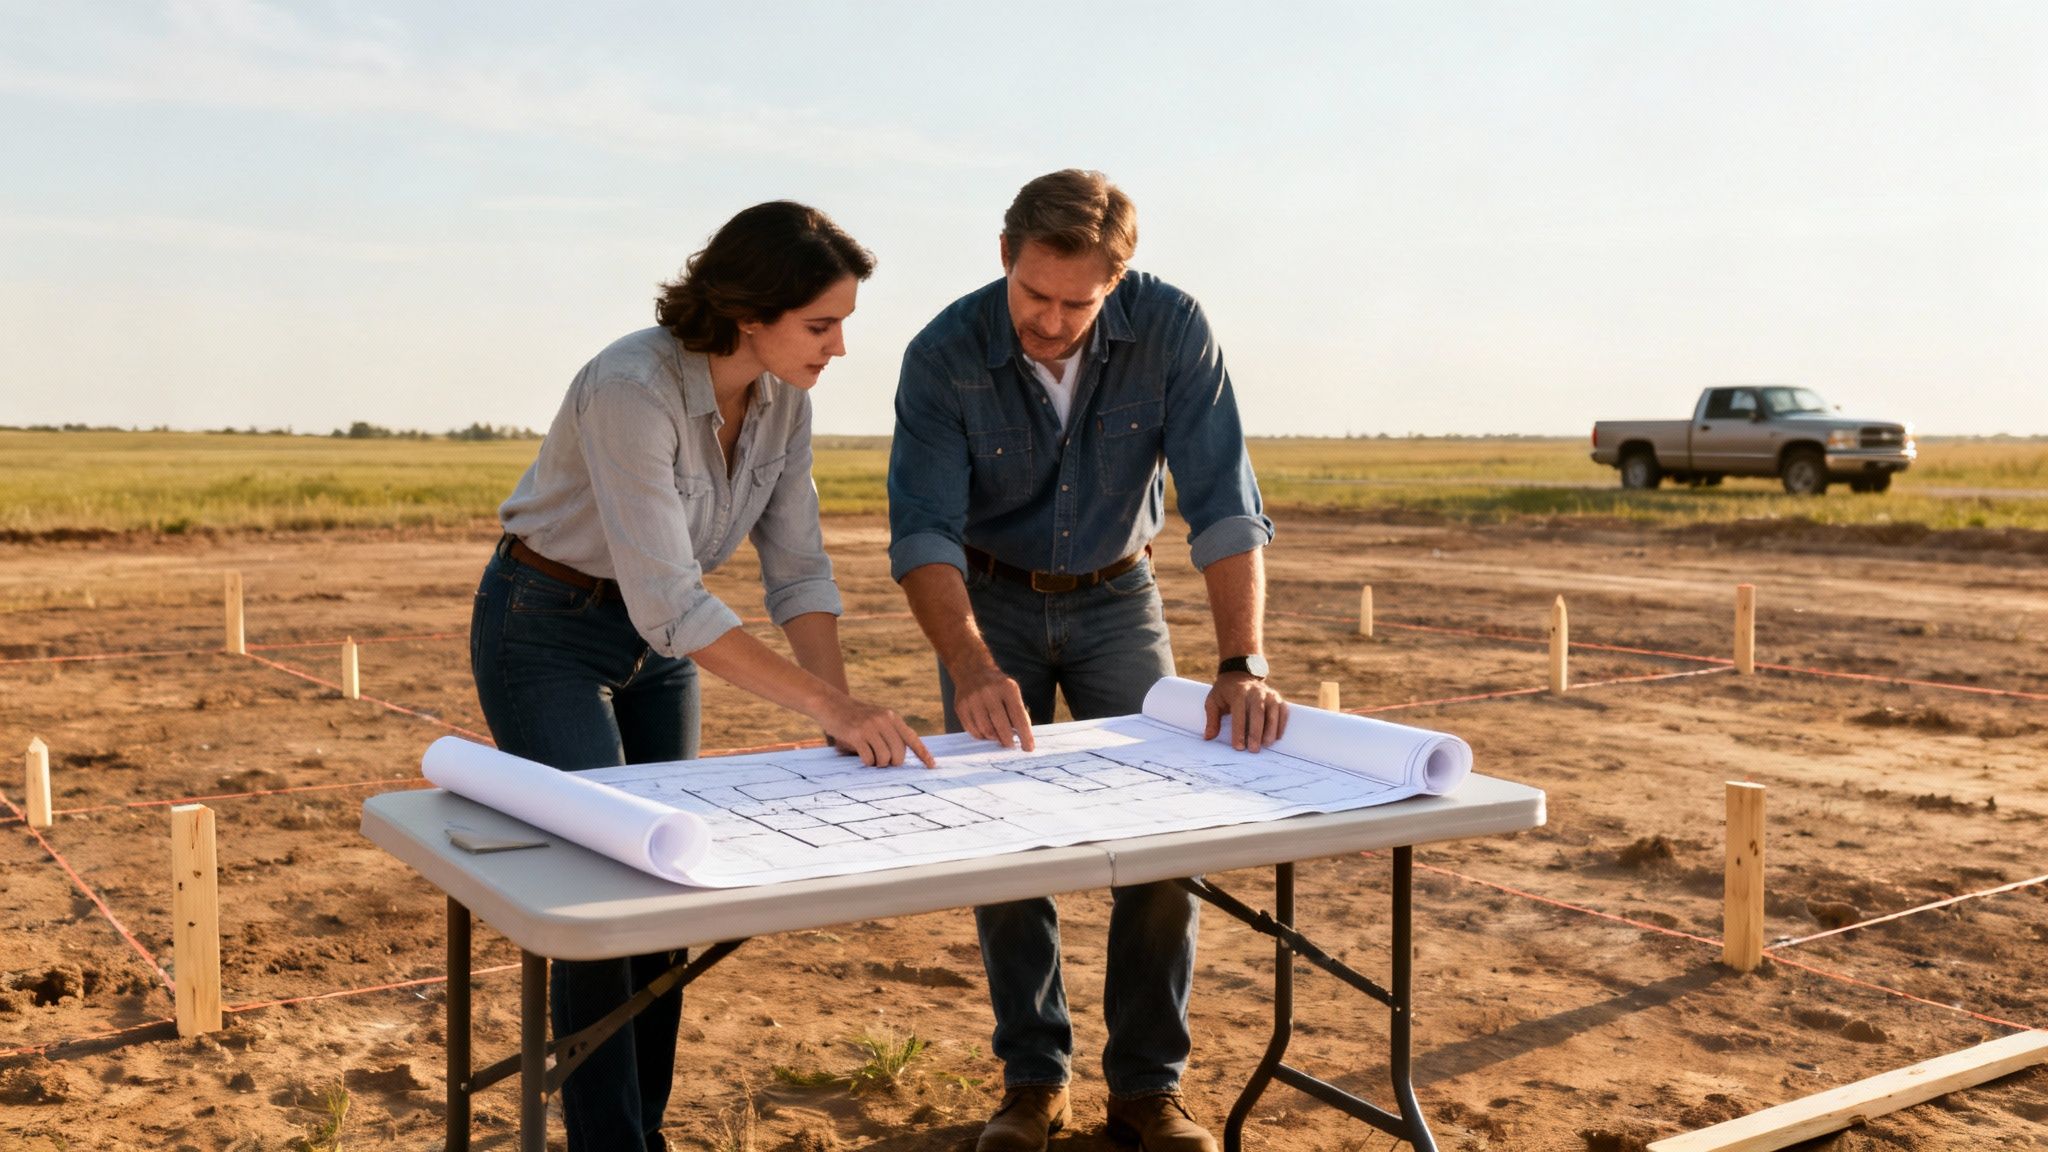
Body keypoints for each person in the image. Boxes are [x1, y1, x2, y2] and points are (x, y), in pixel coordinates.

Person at [471, 200, 931, 1152]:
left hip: (659, 651)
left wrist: (834, 711)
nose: (840, 347)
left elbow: (797, 570)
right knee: (605, 892)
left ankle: (642, 1127)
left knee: (667, 885)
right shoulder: (630, 387)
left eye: (843, 321)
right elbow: (674, 601)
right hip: (545, 630)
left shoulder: (785, 401)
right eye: (822, 324)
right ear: (748, 314)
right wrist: (834, 707)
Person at [887, 169, 1288, 1152]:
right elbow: (923, 536)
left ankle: (1146, 1090)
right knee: (1002, 832)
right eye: (1033, 295)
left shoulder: (1174, 331)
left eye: (1078, 303)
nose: (1052, 321)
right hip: (987, 606)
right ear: (1002, 256)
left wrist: (1239, 658)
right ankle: (1032, 1082)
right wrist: (974, 666)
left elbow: (1223, 502)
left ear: (1119, 280)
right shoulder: (942, 353)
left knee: (1165, 835)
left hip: (1118, 597)